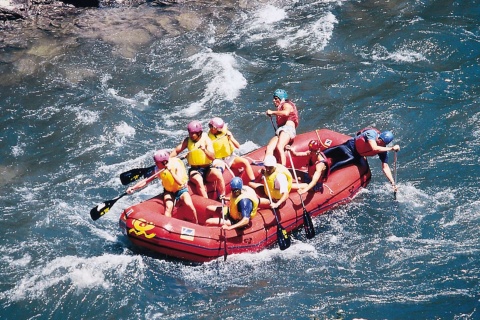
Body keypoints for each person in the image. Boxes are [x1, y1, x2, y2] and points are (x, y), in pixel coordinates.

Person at [126, 149, 198, 223]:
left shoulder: (176, 164)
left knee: (189, 205)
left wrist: (171, 171)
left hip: (181, 190)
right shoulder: (158, 169)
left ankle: (196, 223)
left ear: (164, 162)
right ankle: (168, 226)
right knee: (168, 207)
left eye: (157, 162)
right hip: (169, 192)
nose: (156, 164)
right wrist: (133, 188)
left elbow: (180, 182)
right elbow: (146, 181)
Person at [323, 127, 400, 192]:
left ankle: (323, 176)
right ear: (379, 136)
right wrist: (392, 148)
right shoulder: (371, 134)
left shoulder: (383, 150)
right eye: (380, 140)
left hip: (354, 156)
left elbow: (385, 167)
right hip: (348, 146)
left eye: (382, 143)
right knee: (326, 153)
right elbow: (374, 147)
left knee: (337, 165)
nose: (379, 142)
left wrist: (392, 183)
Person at [170, 120, 226, 200]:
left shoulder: (206, 139)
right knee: (199, 180)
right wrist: (168, 159)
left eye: (193, 133)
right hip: (194, 170)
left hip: (207, 169)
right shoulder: (187, 140)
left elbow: (212, 157)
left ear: (199, 133)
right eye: (190, 133)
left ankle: (222, 196)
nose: (191, 135)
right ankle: (207, 202)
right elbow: (176, 151)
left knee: (218, 174)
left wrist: (204, 150)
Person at [207, 117, 256, 186]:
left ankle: (253, 182)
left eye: (211, 126)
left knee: (245, 162)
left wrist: (231, 138)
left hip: (230, 157)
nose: (210, 128)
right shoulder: (207, 137)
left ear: (216, 128)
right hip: (218, 160)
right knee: (219, 171)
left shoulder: (226, 133)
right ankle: (220, 193)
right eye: (209, 126)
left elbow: (238, 146)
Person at [264, 89, 299, 166]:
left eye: (276, 98)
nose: (274, 100)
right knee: (269, 147)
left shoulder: (286, 104)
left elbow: (286, 113)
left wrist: (272, 112)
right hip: (281, 131)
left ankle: (283, 167)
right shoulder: (280, 107)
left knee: (279, 146)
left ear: (281, 98)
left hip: (287, 129)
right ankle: (266, 167)